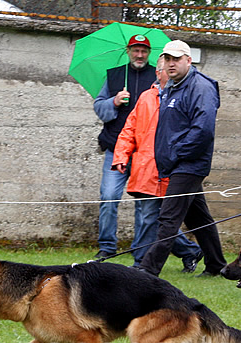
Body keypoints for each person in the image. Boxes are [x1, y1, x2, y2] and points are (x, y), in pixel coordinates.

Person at [138, 40, 227, 277]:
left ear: (189, 60)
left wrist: (176, 153)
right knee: (199, 218)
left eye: (176, 59)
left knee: (168, 218)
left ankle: (147, 270)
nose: (171, 63)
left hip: (189, 164)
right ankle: (217, 265)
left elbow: (203, 130)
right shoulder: (173, 86)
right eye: (167, 59)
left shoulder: (201, 87)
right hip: (178, 163)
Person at [113, 57, 204, 271]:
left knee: (160, 218)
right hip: (147, 168)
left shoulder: (182, 95)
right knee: (150, 216)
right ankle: (178, 253)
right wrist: (121, 156)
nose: (169, 71)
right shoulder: (146, 97)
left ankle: (144, 264)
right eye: (165, 68)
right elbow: (129, 130)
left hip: (173, 167)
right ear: (158, 72)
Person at [93, 34, 156, 259]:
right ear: (128, 51)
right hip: (115, 150)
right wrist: (114, 101)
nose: (140, 55)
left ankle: (141, 253)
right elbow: (99, 108)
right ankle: (107, 248)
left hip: (145, 154)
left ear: (149, 54)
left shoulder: (157, 77)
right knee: (109, 198)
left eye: (144, 51)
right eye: (135, 50)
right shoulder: (114, 75)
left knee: (145, 207)